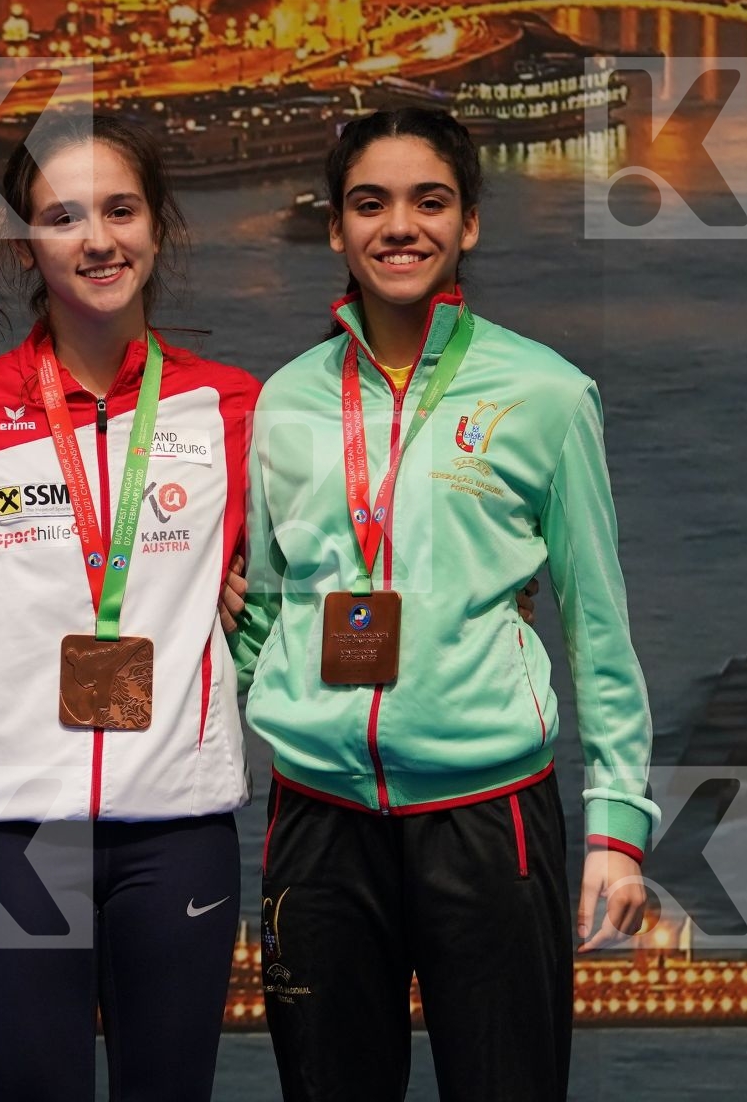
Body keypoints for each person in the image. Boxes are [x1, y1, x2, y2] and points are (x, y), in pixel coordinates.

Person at [234, 107, 658, 1100]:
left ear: (468, 223)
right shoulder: (285, 401)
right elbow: (263, 611)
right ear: (336, 228)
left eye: (429, 202)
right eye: (367, 203)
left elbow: (597, 624)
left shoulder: (545, 394)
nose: (398, 226)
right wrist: (294, 704)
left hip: (486, 818)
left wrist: (615, 832)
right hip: (317, 823)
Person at [0, 113, 259, 1101]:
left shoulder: (232, 408)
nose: (96, 239)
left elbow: (297, 572)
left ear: (157, 226)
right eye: (62, 217)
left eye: (120, 210)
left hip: (176, 823)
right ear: (26, 242)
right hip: (11, 832)